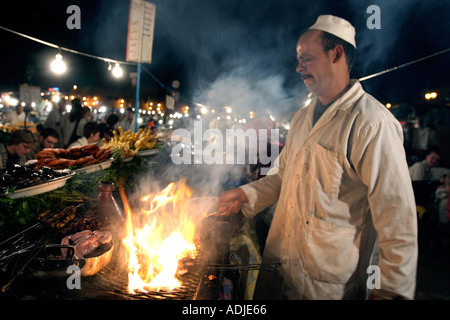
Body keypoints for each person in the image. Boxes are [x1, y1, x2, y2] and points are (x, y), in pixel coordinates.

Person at [216, 15, 418, 300]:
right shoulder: (301, 118)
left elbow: (397, 217)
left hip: (328, 285)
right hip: (281, 267)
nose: (299, 67)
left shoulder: (372, 124)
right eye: (299, 60)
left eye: (307, 58)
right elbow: (283, 176)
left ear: (336, 54)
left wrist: (389, 291)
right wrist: (244, 195)